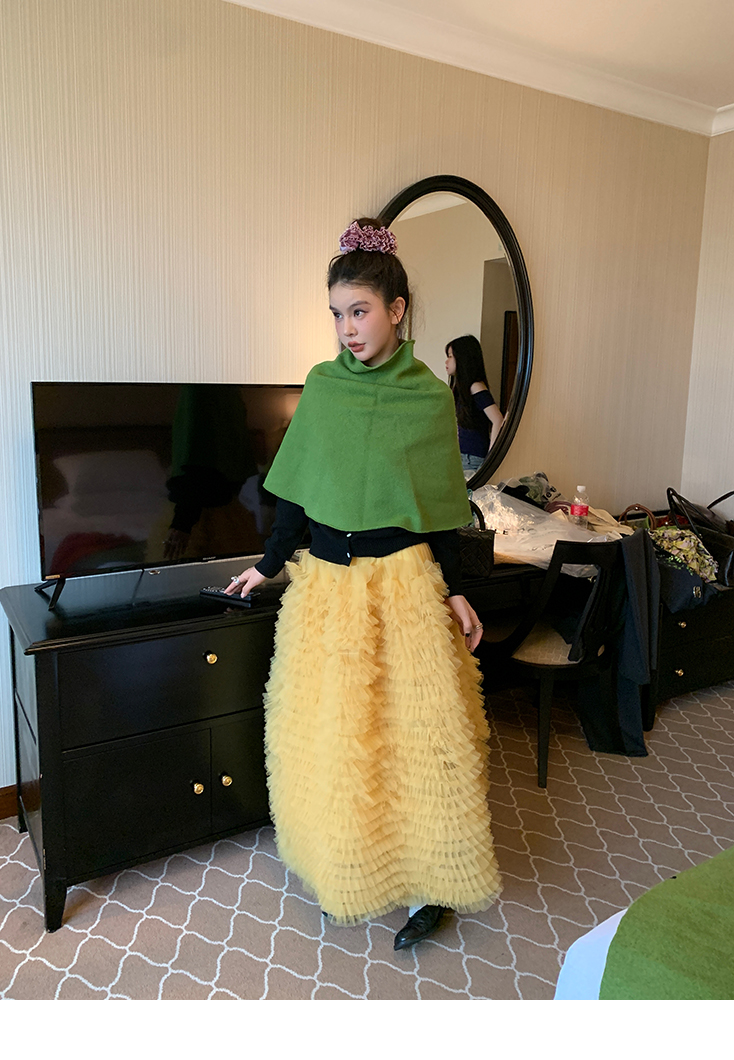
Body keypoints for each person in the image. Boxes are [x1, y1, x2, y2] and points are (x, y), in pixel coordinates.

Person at [226, 218, 500, 950]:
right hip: (328, 590)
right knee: (337, 736)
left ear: (397, 310)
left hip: (403, 585)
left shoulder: (429, 397)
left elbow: (440, 511)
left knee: (417, 741)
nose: (347, 329)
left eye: (360, 311)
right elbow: (297, 495)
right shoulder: (322, 388)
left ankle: (431, 884)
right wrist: (268, 563)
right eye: (337, 314)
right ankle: (342, 866)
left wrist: (456, 589)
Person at [444, 334, 505, 474]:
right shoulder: (461, 389)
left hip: (472, 459)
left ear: (462, 358)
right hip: (463, 457)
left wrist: (491, 458)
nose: (446, 361)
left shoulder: (475, 387)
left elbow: (498, 419)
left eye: (450, 356)